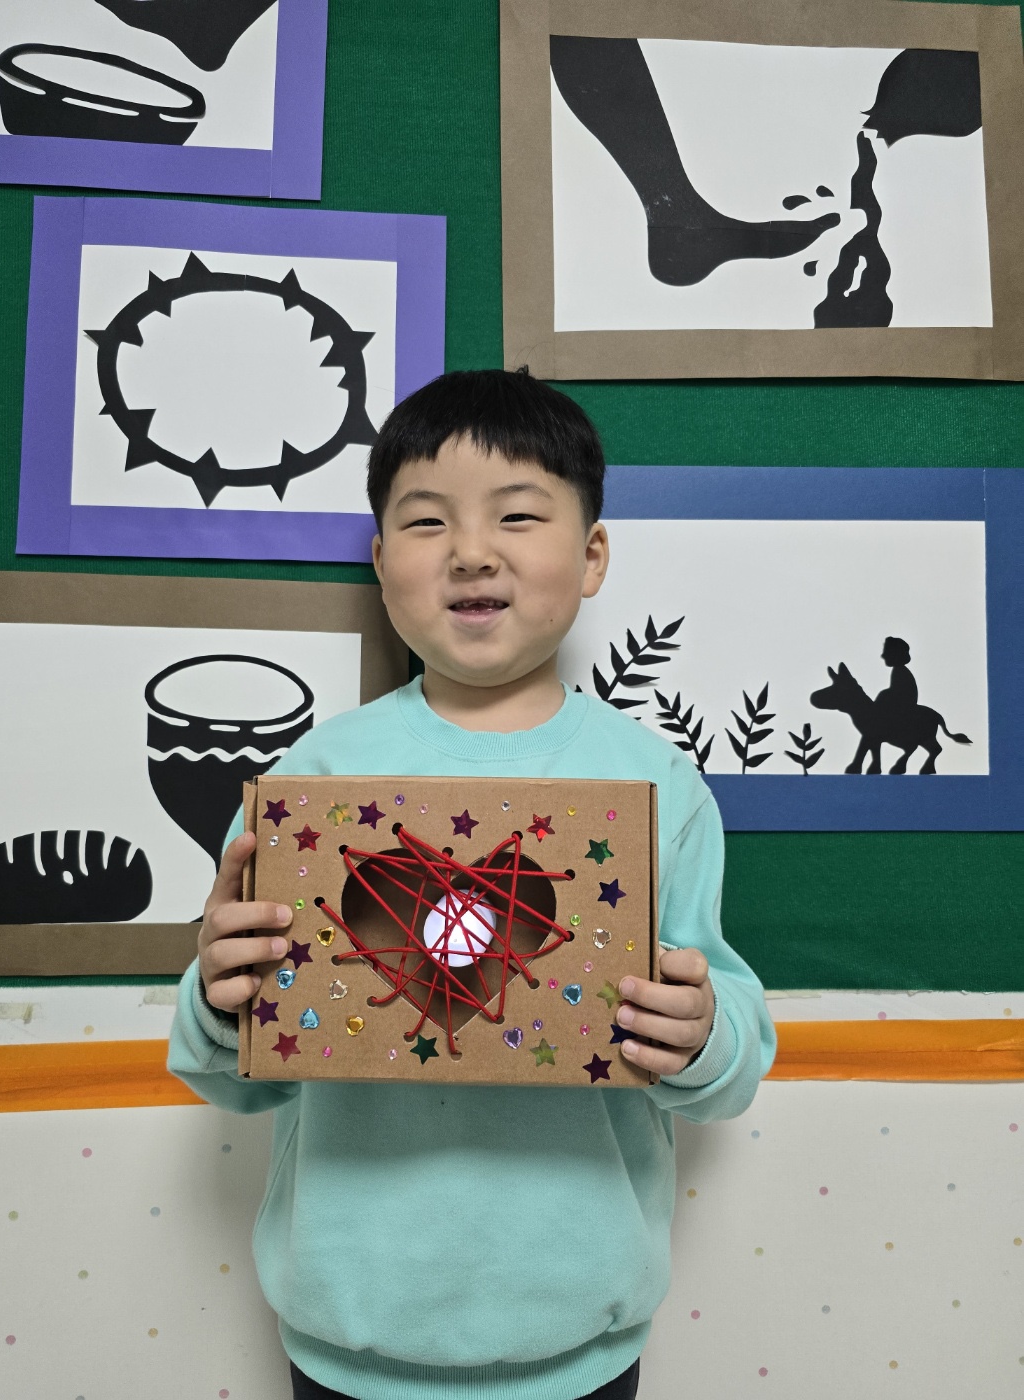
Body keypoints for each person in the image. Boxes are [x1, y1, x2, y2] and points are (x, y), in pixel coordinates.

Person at [168, 368, 776, 1400]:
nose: (471, 551)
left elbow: (733, 1059)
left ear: (592, 556)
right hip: (346, 1334)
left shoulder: (657, 784)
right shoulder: (315, 780)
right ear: (379, 560)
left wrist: (702, 1028)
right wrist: (221, 1000)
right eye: (425, 521)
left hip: (581, 1343)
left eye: (519, 515)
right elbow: (236, 1075)